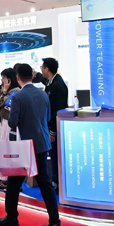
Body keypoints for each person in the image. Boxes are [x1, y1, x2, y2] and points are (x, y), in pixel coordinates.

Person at [0, 64, 62, 226]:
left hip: (23, 145)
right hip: (41, 143)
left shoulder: (18, 97)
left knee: (14, 181)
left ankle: (12, 217)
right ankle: (55, 221)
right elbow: (48, 117)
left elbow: (12, 122)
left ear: (18, 78)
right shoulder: (43, 94)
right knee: (45, 182)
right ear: (32, 76)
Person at [35, 58, 69, 186]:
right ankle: (56, 179)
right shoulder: (53, 82)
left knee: (55, 154)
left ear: (47, 69)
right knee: (53, 153)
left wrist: (52, 132)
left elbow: (56, 110)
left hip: (55, 127)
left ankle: (56, 181)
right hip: (51, 126)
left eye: (42, 68)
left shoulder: (57, 85)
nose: (41, 70)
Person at [0, 68, 20, 191]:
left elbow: (4, 103)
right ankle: (4, 176)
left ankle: (7, 178)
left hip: (10, 123)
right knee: (3, 146)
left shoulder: (16, 91)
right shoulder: (3, 89)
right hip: (3, 121)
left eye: (4, 78)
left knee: (8, 148)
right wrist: (3, 90)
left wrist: (4, 91)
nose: (2, 80)